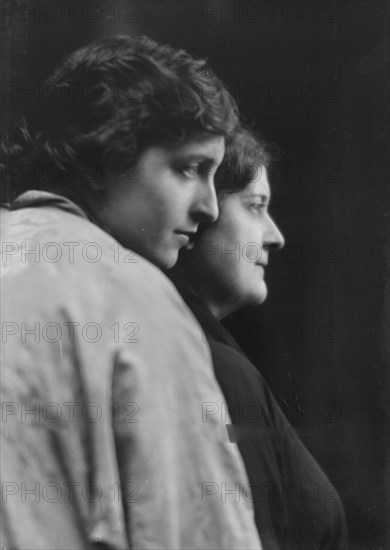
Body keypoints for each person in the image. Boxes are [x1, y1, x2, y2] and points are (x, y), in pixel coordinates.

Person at [0, 36, 262, 549]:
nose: (209, 207)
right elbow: (197, 531)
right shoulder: (134, 300)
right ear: (104, 158)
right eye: (190, 168)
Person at [171, 126, 349, 550]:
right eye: (255, 207)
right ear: (199, 212)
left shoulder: (214, 354)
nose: (275, 235)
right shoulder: (214, 368)